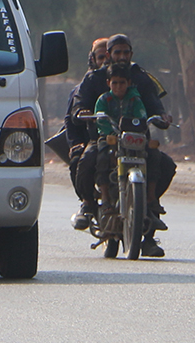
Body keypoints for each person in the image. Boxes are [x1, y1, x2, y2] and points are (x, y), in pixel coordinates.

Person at [70, 34, 176, 253]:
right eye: (117, 52)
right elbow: (78, 104)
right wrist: (82, 112)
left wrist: (162, 117)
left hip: (136, 138)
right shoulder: (94, 79)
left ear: (131, 54)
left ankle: (149, 220)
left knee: (165, 165)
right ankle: (88, 205)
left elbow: (154, 104)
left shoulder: (141, 78)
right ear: (108, 55)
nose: (122, 57)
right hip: (103, 137)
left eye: (125, 52)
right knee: (87, 160)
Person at [65, 38, 108, 230]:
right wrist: (76, 143)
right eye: (101, 57)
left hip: (126, 139)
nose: (106, 61)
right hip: (93, 138)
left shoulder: (133, 77)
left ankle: (149, 211)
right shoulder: (86, 84)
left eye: (111, 56)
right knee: (79, 161)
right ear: (93, 59)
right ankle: (87, 202)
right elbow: (72, 118)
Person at [93, 62, 148, 211]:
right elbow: (101, 120)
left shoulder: (135, 100)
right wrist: (111, 133)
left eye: (122, 83)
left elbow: (141, 116)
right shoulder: (104, 100)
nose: (118, 86)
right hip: (110, 138)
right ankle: (104, 197)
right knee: (102, 157)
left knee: (153, 157)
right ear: (108, 83)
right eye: (114, 83)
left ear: (128, 83)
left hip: (132, 139)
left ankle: (151, 200)